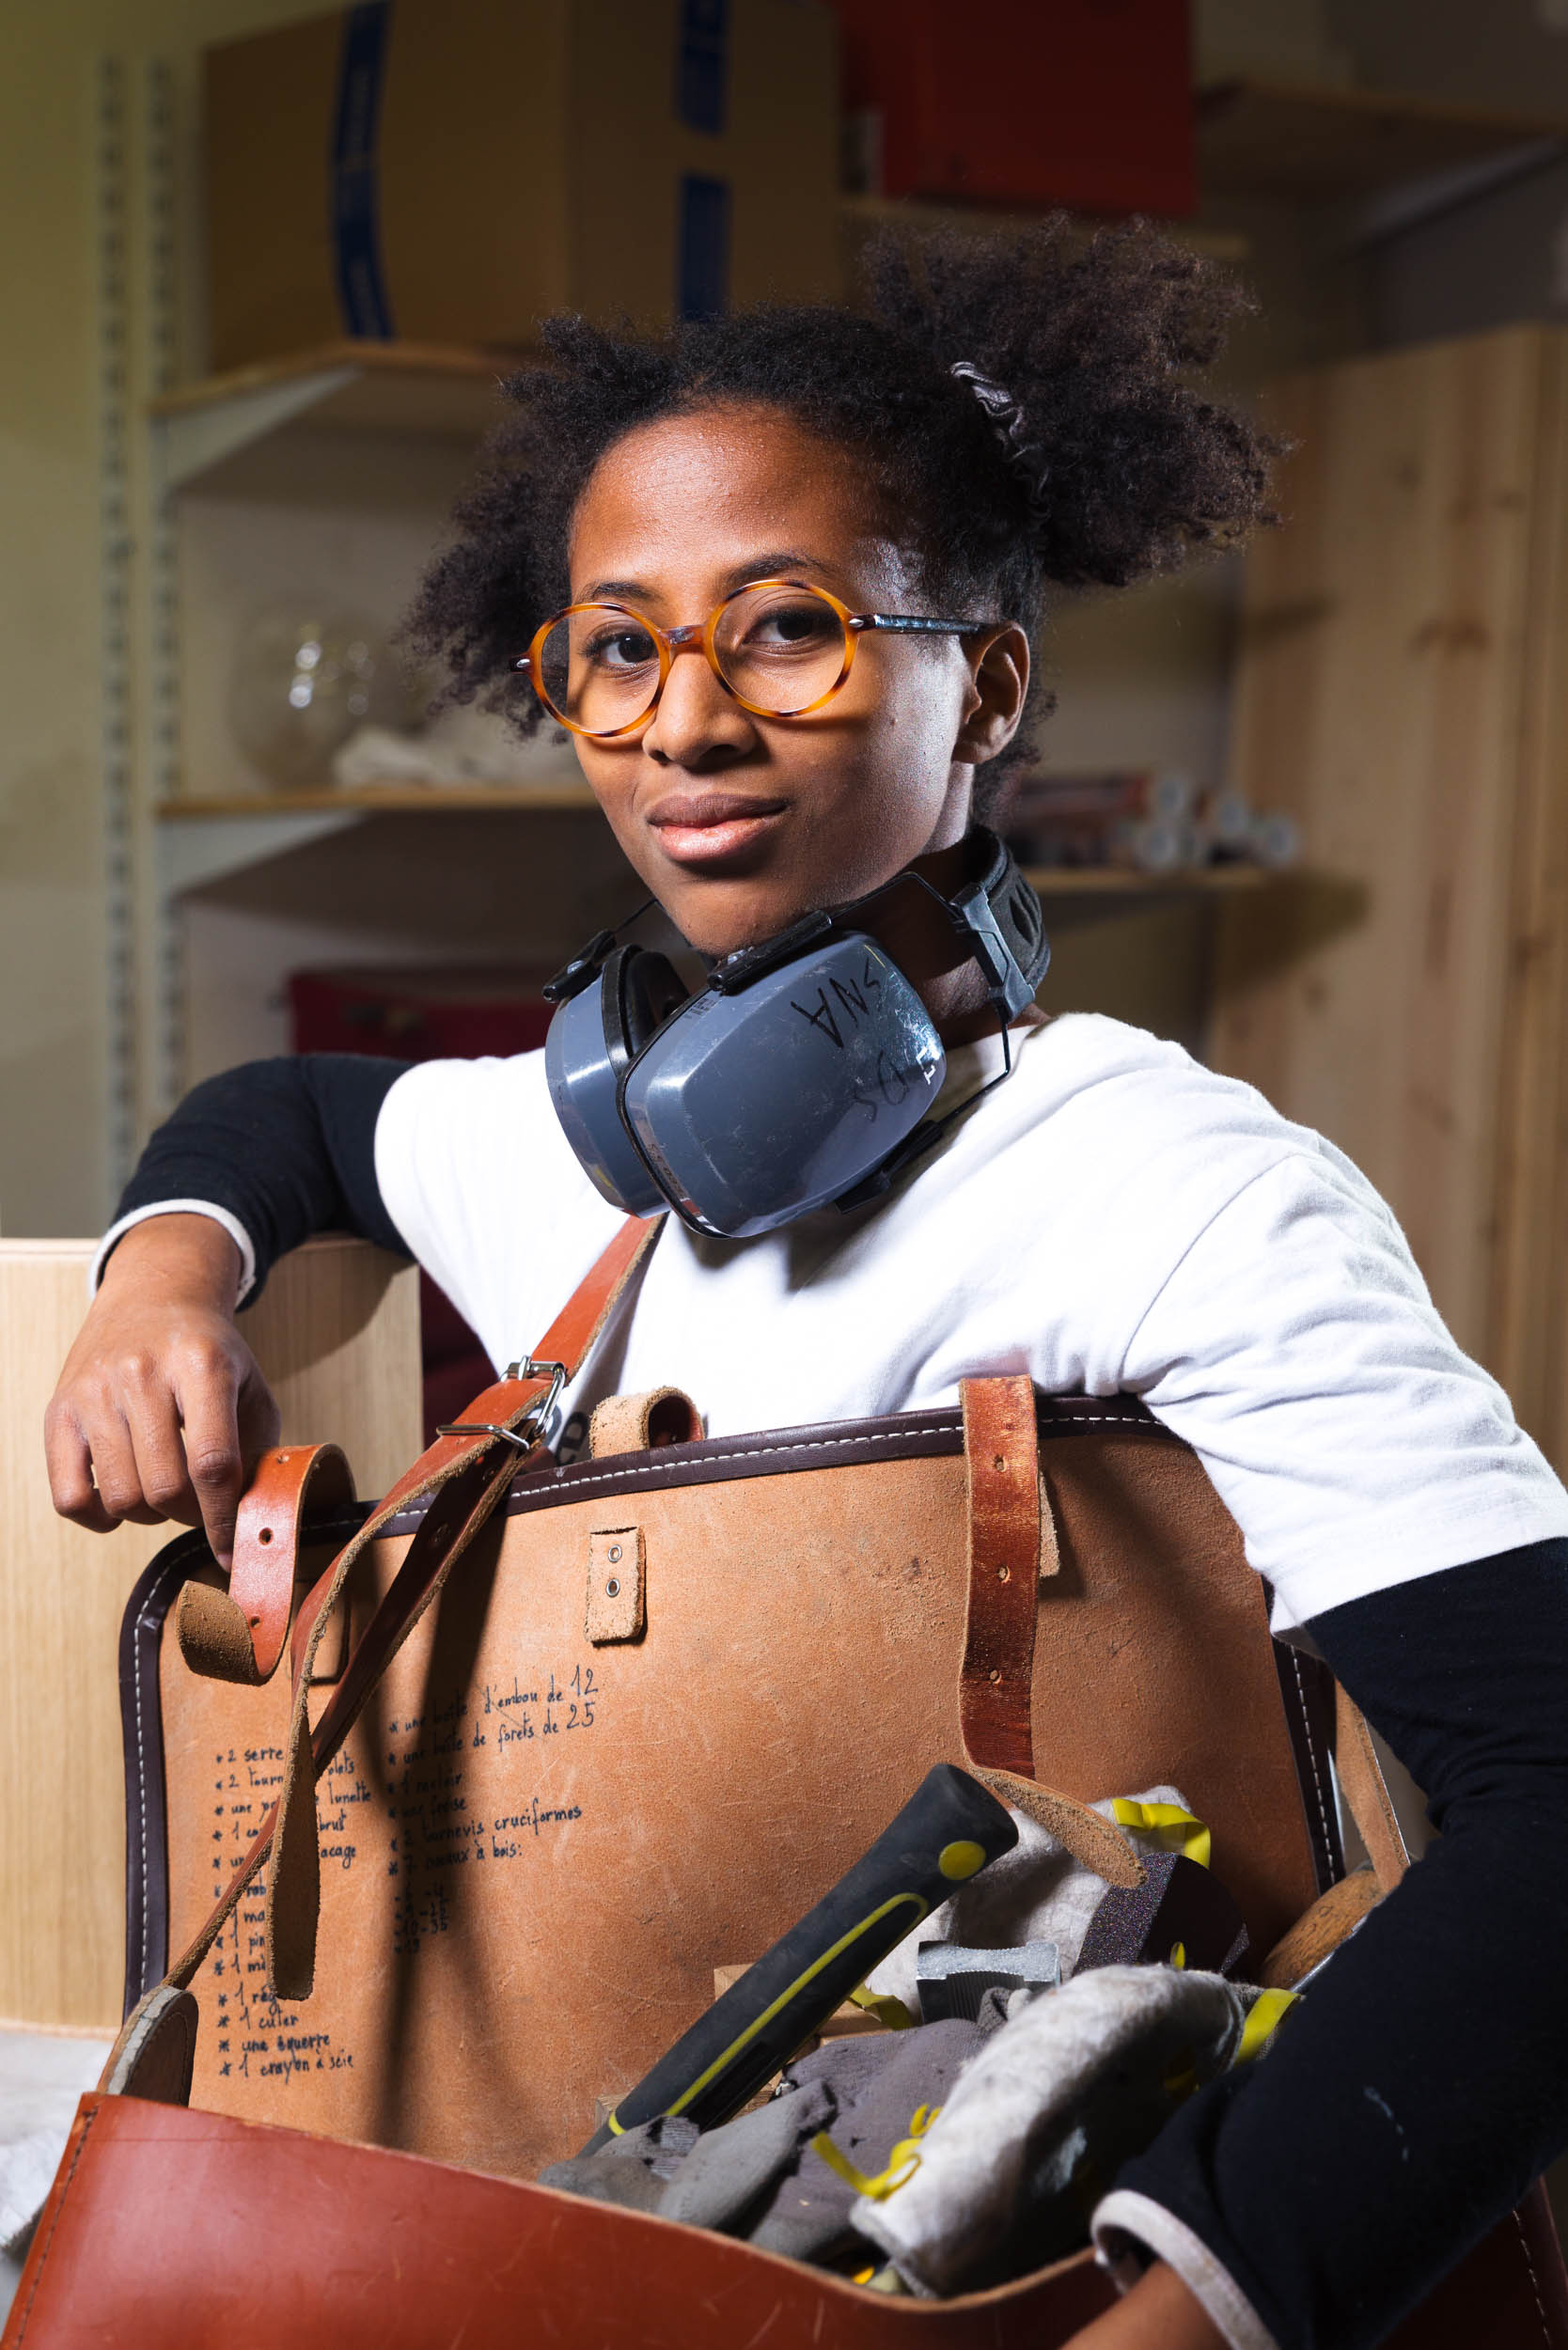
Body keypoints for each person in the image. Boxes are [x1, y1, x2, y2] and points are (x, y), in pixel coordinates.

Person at [45, 222, 1568, 2350]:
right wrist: (164, 1280)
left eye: (793, 633)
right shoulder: (583, 1153)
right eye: (615, 647)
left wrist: (1202, 2306)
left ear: (995, 685)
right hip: (614, 2236)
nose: (688, 723)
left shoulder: (1182, 1187)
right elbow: (288, 1115)